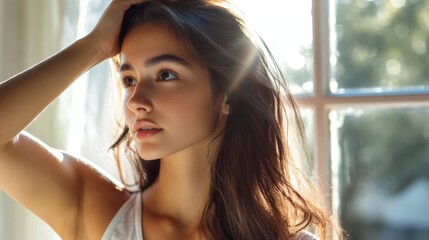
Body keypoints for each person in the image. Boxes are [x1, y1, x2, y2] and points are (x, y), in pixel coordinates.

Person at [0, 0, 342, 239]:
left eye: (165, 75)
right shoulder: (93, 210)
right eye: (129, 79)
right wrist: (95, 47)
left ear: (227, 95)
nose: (136, 101)